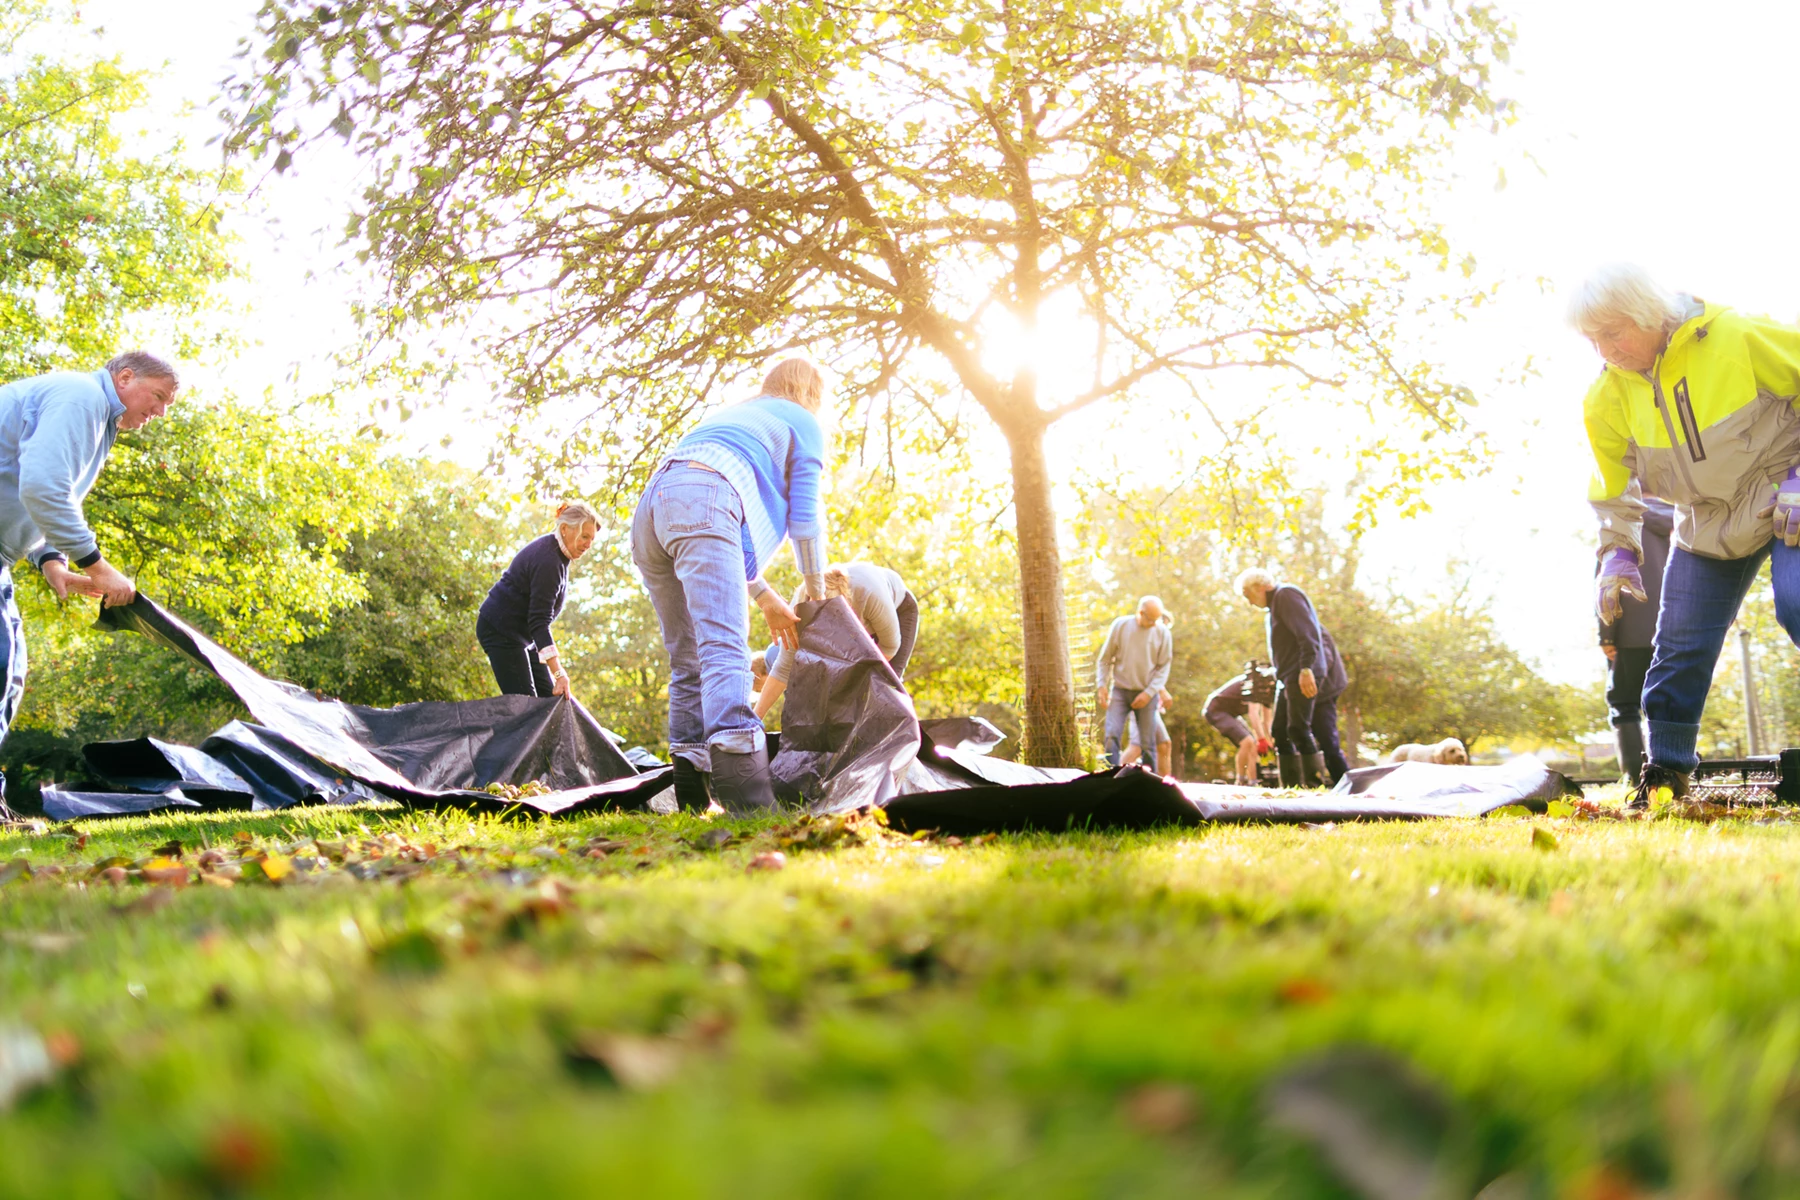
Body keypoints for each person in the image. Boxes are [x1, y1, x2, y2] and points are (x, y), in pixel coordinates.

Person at [1574, 263, 1800, 807]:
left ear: (1649, 314)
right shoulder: (1606, 398)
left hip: (1785, 494)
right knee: (1678, 644)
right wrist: (1617, 553)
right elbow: (1613, 489)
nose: (1604, 351)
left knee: (1797, 603)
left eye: (1612, 332)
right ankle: (1666, 774)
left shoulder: (1739, 335)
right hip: (1705, 522)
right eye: (1592, 340)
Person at [631, 357, 828, 813]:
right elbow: (805, 519)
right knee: (724, 649)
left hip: (653, 510)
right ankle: (748, 800)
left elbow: (713, 530)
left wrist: (765, 595)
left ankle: (692, 794)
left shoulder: (732, 417)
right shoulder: (802, 420)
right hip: (704, 497)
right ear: (811, 393)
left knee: (688, 658)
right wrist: (817, 594)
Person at [0, 352, 176, 821]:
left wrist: (50, 560)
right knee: (1, 664)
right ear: (124, 377)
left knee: (7, 665)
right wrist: (96, 564)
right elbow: (41, 487)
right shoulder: (81, 399)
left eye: (167, 405)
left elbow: (24, 486)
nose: (159, 412)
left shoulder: (98, 421)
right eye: (157, 397)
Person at [753, 561, 917, 720]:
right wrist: (754, 718)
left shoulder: (869, 595)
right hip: (857, 622)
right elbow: (782, 669)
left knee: (885, 687)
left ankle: (897, 739)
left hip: (898, 609)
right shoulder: (797, 611)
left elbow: (889, 648)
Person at [1235, 568, 1349, 788]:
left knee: (1298, 729)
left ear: (1260, 587)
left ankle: (1314, 790)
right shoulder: (1274, 607)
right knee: (1282, 732)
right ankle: (1292, 789)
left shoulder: (1286, 595)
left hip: (1303, 675)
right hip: (1288, 678)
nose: (1249, 602)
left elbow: (1308, 633)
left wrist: (1306, 668)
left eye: (1248, 595)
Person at [476, 501, 600, 698]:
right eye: (584, 536)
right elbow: (539, 622)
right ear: (565, 529)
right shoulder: (549, 560)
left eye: (592, 539)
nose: (588, 545)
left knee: (551, 698)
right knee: (529, 709)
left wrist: (557, 675)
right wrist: (559, 673)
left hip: (526, 638)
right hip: (500, 630)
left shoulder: (559, 557)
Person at [1598, 496, 1674, 785]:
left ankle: (1634, 778)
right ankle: (1670, 775)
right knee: (1667, 702)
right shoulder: (1682, 519)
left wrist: (1607, 634)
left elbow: (1608, 579)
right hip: (1673, 629)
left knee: (1623, 702)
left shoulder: (1621, 519)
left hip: (1632, 630)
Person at [1094, 596, 1173, 774]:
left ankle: (1150, 781)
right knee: (1112, 734)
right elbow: (1105, 659)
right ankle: (1111, 776)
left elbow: (1163, 668)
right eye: (1151, 619)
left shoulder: (1163, 633)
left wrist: (1148, 693)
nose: (1154, 624)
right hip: (1121, 691)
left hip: (1147, 693)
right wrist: (1102, 685)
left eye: (1157, 620)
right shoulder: (1121, 626)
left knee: (1147, 743)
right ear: (1140, 613)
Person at [1204, 670, 1274, 786]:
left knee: (1253, 745)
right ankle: (1241, 780)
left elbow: (1267, 721)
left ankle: (1253, 782)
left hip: (1232, 714)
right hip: (1216, 710)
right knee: (1247, 741)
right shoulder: (1255, 684)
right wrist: (1262, 739)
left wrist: (1271, 741)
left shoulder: (1269, 692)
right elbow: (1254, 714)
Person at [1120, 688, 1174, 775]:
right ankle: (1115, 779)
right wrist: (1162, 691)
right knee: (1136, 746)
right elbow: (1147, 675)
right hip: (1140, 698)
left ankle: (1163, 784)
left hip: (1150, 701)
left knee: (1164, 745)